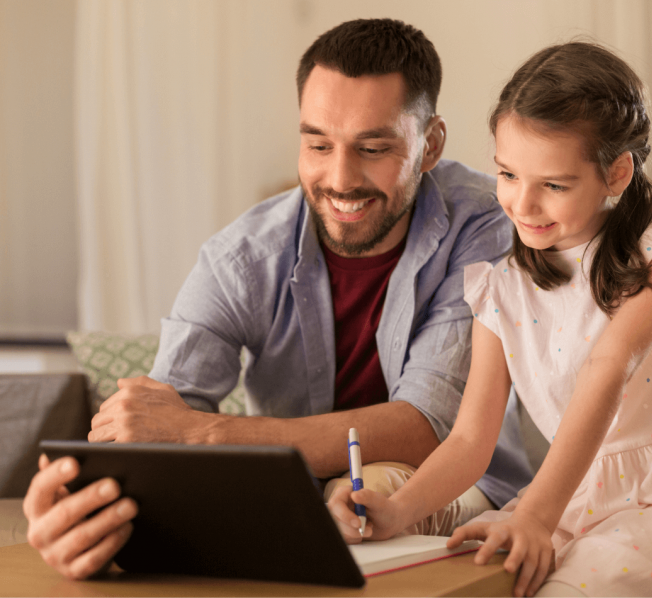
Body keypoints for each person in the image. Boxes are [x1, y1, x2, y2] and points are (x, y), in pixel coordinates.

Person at [22, 18, 533, 580]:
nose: (340, 178)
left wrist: (205, 433)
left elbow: (425, 426)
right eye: (318, 144)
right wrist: (81, 506)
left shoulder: (488, 222)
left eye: (372, 147)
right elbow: (159, 420)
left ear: (429, 144)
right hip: (289, 508)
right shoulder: (240, 257)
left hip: (453, 485)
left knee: (372, 491)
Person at [328, 41, 652, 597]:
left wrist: (537, 515)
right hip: (571, 492)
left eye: (553, 185)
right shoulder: (500, 289)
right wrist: (396, 509)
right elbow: (469, 440)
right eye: (507, 174)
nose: (521, 205)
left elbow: (611, 363)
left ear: (617, 173)